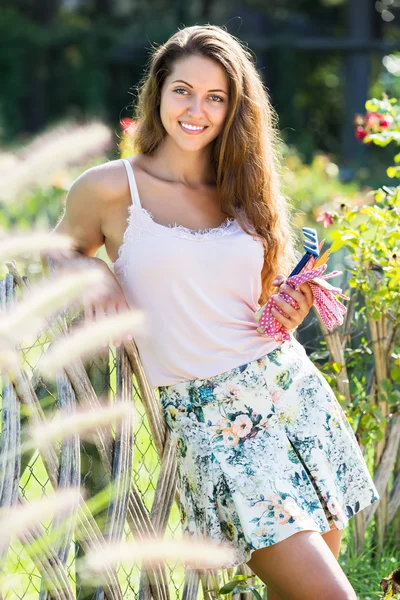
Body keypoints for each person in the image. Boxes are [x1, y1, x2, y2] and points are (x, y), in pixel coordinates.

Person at [54, 24, 379, 600]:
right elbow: (51, 254)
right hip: (211, 423)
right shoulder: (109, 188)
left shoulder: (245, 186)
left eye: (216, 97)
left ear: (234, 107)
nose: (195, 109)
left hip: (288, 392)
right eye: (183, 90)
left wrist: (288, 304)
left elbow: (257, 299)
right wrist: (93, 270)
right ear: (157, 91)